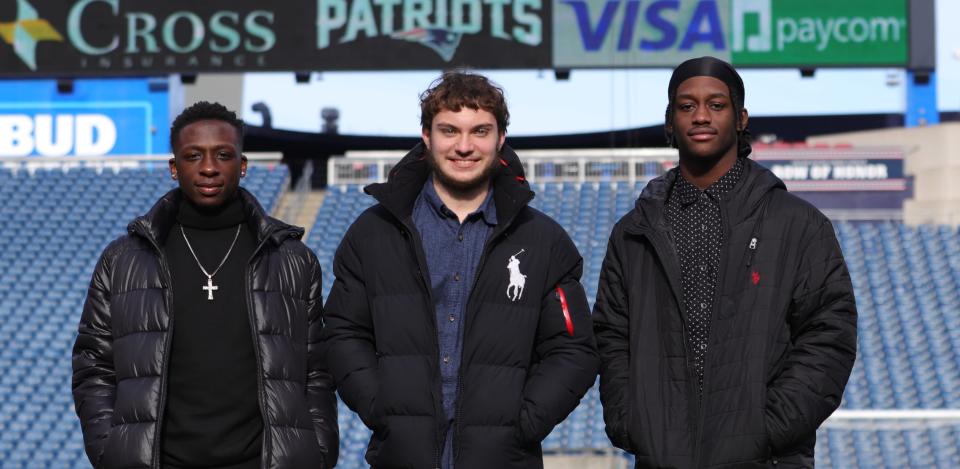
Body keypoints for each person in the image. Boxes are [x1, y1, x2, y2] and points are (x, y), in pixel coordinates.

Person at [323, 70, 599, 469]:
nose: (464, 146)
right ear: (426, 136)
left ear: (500, 139)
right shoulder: (373, 234)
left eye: (480, 131)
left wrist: (522, 425)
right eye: (449, 130)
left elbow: (573, 349)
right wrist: (383, 410)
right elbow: (343, 334)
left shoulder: (543, 240)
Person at [593, 56, 857, 468]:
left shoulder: (797, 224)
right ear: (670, 120)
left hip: (767, 458)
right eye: (687, 106)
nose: (701, 116)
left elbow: (829, 334)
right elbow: (611, 335)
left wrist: (766, 428)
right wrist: (633, 422)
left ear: (740, 118)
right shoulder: (632, 232)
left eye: (716, 105)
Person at [72, 101, 338, 469]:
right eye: (194, 155)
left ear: (242, 166)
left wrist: (318, 453)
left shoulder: (292, 259)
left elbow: (316, 372)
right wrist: (111, 452)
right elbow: (94, 366)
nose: (209, 168)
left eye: (223, 155)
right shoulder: (123, 260)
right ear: (173, 167)